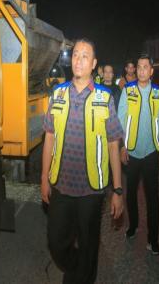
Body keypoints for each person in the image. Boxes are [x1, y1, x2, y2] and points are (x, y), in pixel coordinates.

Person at [41, 38, 124, 284]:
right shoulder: (57, 94)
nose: (78, 60)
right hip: (61, 185)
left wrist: (117, 190)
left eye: (85, 56)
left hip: (92, 188)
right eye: (75, 54)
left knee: (89, 243)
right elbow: (49, 138)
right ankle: (76, 267)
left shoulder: (104, 98)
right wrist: (44, 178)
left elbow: (113, 144)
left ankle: (81, 276)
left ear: (94, 64)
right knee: (56, 241)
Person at [118, 53, 159, 255]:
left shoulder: (157, 93)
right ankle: (133, 226)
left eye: (145, 67)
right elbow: (121, 119)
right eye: (138, 67)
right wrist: (122, 146)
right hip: (132, 152)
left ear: (151, 71)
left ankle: (153, 240)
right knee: (131, 194)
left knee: (153, 198)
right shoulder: (128, 91)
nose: (141, 70)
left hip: (151, 153)